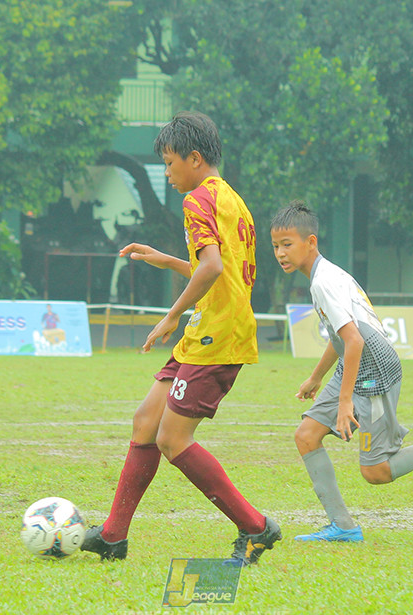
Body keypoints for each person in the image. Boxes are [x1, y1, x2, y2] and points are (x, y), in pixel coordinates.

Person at [81, 111, 281, 565]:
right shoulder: (232, 199)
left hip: (215, 335)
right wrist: (167, 260)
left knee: (172, 440)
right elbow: (218, 269)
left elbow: (212, 269)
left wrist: (171, 315)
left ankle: (256, 527)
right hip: (208, 330)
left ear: (194, 158)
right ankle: (114, 536)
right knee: (145, 423)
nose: (167, 173)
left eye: (169, 164)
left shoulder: (196, 202)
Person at [269, 201, 413, 542]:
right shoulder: (324, 275)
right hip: (356, 363)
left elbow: (355, 340)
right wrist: (316, 377)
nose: (280, 253)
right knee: (306, 436)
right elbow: (340, 337)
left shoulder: (323, 283)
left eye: (287, 245)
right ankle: (343, 527)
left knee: (376, 471)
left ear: (310, 242)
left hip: (373, 370)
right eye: (275, 246)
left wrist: (345, 403)